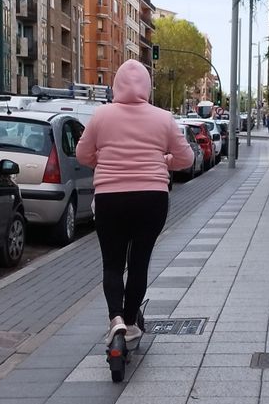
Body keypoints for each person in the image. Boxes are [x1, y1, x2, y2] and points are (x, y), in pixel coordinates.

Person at [77, 60, 194, 341]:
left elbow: (82, 154)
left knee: (113, 264)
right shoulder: (163, 118)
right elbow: (186, 158)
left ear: (116, 84)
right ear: (147, 86)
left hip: (110, 199)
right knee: (139, 262)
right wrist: (164, 160)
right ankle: (130, 323)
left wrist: (103, 162)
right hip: (151, 200)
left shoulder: (101, 116)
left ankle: (115, 317)